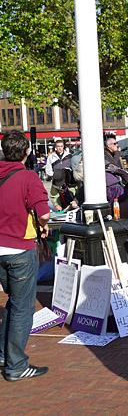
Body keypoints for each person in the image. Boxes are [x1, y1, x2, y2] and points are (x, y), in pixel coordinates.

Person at [0, 130, 50, 381]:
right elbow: (44, 212)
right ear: (27, 152)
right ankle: (16, 365)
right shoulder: (28, 177)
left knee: (13, 302)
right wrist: (44, 225)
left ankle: (3, 354)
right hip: (20, 248)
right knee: (22, 308)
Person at [45, 139, 73, 211]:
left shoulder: (69, 156)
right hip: (57, 181)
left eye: (61, 146)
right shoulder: (51, 157)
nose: (60, 148)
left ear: (63, 146)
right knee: (56, 198)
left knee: (69, 197)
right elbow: (48, 170)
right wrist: (55, 176)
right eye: (58, 146)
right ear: (55, 147)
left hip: (67, 182)